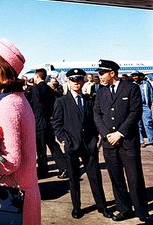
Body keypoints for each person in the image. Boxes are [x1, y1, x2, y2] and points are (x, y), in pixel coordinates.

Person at [0, 38, 41, 225]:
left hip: (11, 197)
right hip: (24, 192)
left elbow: (11, 159)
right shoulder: (18, 99)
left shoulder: (7, 105)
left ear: (4, 71)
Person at [94, 59, 153, 223]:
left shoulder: (131, 88)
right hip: (109, 143)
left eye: (102, 73)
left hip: (127, 142)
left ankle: (142, 211)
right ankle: (124, 209)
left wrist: (120, 133)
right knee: (116, 178)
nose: (100, 76)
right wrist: (107, 134)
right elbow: (97, 115)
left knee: (134, 177)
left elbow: (135, 112)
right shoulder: (101, 92)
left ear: (112, 73)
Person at [51, 68, 112, 219]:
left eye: (79, 80)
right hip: (71, 145)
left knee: (95, 177)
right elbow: (57, 124)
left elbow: (95, 122)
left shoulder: (89, 100)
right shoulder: (61, 102)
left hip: (88, 145)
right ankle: (77, 207)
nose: (76, 83)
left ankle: (102, 206)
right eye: (73, 80)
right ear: (68, 81)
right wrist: (64, 140)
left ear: (83, 81)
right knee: (73, 178)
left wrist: (96, 139)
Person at [29, 68, 68, 179]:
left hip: (39, 122)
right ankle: (64, 168)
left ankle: (43, 171)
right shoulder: (48, 88)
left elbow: (37, 106)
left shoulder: (36, 88)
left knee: (41, 149)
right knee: (53, 145)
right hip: (48, 121)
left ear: (37, 76)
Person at [131, 71, 153, 147]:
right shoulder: (132, 85)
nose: (135, 77)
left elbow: (151, 93)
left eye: (136, 76)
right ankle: (141, 141)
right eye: (133, 76)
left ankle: (151, 140)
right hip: (136, 106)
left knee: (148, 123)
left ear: (140, 76)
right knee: (138, 124)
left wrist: (151, 102)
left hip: (145, 106)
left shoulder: (146, 84)